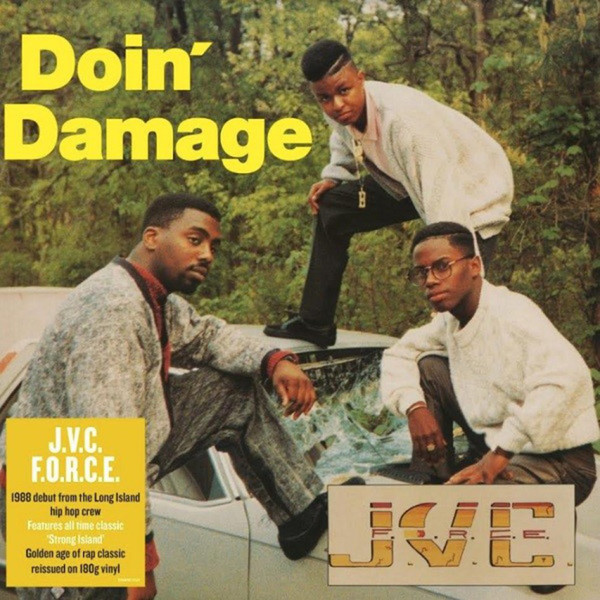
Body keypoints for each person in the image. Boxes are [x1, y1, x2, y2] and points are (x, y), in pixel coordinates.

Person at [0, 193, 339, 600]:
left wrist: (274, 360)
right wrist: (139, 562)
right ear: (152, 237)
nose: (207, 254)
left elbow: (206, 337)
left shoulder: (150, 295)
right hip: (56, 484)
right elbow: (107, 447)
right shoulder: (112, 311)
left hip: (102, 456)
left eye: (213, 245)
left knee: (232, 391)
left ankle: (302, 515)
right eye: (195, 240)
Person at [264, 39, 514, 347]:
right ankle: (315, 323)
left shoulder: (406, 126)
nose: (336, 105)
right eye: (324, 98)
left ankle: (477, 348)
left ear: (361, 78)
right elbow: (344, 139)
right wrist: (336, 175)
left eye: (344, 91)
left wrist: (444, 278)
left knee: (460, 290)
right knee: (332, 207)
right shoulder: (339, 109)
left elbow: (444, 201)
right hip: (408, 179)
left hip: (473, 187)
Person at [380, 220, 598, 494]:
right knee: (428, 366)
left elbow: (567, 379)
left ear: (474, 266)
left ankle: (454, 492)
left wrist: (501, 452)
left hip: (560, 461)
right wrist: (414, 408)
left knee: (467, 502)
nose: (431, 280)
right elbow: (399, 353)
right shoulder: (449, 322)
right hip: (499, 448)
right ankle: (432, 482)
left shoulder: (512, 314)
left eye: (442, 266)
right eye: (421, 273)